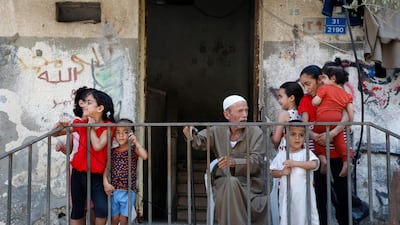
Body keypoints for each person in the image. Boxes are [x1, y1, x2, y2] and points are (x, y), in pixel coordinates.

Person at [183, 95, 268, 225]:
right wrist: (190, 132)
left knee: (232, 185)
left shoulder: (255, 132)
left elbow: (257, 161)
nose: (245, 115)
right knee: (230, 184)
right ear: (227, 114)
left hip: (249, 185)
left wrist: (235, 162)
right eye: (240, 111)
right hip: (223, 182)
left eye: (246, 110)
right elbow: (199, 141)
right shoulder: (217, 130)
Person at [298, 64, 352, 225]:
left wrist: (332, 134)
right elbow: (305, 125)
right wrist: (316, 136)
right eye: (303, 85)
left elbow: (346, 117)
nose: (305, 88)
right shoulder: (306, 101)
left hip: (338, 150)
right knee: (320, 195)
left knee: (343, 193)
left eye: (308, 84)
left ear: (319, 80)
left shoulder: (334, 94)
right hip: (318, 152)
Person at [53, 89, 115, 225]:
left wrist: (90, 127)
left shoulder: (108, 126)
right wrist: (58, 125)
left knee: (101, 209)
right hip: (78, 173)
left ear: (100, 108)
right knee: (77, 209)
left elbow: (98, 145)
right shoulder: (81, 123)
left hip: (96, 176)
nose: (84, 105)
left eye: (89, 102)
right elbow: (55, 134)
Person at [54, 86, 95, 225]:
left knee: (95, 206)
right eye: (88, 101)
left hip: (95, 169)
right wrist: (62, 148)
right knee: (79, 207)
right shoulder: (75, 124)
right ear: (81, 103)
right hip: (77, 170)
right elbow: (69, 149)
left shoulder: (98, 122)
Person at [270, 120, 320, 225]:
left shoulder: (306, 153)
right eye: (293, 134)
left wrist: (295, 163)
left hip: (304, 196)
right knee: (288, 217)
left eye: (301, 135)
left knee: (304, 218)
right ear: (285, 136)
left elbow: (314, 164)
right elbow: (273, 172)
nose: (297, 138)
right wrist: (282, 172)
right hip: (287, 196)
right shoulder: (282, 154)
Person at [103, 118, 148, 225]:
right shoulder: (112, 151)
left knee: (123, 220)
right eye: (118, 132)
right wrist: (105, 182)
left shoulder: (133, 150)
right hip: (114, 190)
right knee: (114, 219)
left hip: (128, 191)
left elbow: (145, 156)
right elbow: (107, 168)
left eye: (125, 132)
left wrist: (136, 142)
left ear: (131, 134)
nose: (121, 135)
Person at [312, 65, 354, 177]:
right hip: (337, 120)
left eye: (324, 78)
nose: (322, 81)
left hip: (323, 120)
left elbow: (316, 102)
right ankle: (346, 161)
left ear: (333, 78)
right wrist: (350, 124)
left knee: (317, 139)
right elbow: (351, 111)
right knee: (341, 143)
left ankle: (323, 159)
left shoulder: (324, 88)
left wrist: (314, 100)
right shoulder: (346, 94)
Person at [271, 81, 304, 151]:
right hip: (299, 152)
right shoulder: (302, 114)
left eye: (281, 97)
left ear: (291, 98)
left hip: (286, 153)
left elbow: (276, 139)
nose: (279, 100)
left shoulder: (284, 115)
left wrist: (273, 135)